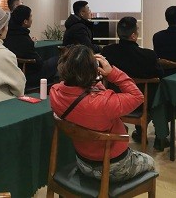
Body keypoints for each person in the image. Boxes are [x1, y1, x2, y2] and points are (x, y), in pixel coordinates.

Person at [49, 45, 155, 181]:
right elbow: (137, 97)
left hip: (83, 162)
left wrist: (87, 75)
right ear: (93, 70)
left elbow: (77, 91)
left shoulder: (55, 93)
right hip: (113, 166)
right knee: (151, 161)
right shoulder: (104, 103)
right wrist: (111, 73)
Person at [103, 17, 164, 145]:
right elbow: (160, 76)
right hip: (142, 103)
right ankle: (159, 136)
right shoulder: (148, 56)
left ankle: (139, 132)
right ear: (133, 36)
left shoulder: (107, 52)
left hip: (115, 101)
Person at [3, 5, 58, 88]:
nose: (32, 19)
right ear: (25, 21)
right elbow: (38, 64)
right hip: (29, 76)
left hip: (12, 75)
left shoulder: (7, 35)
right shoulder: (24, 39)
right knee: (58, 60)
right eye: (31, 16)